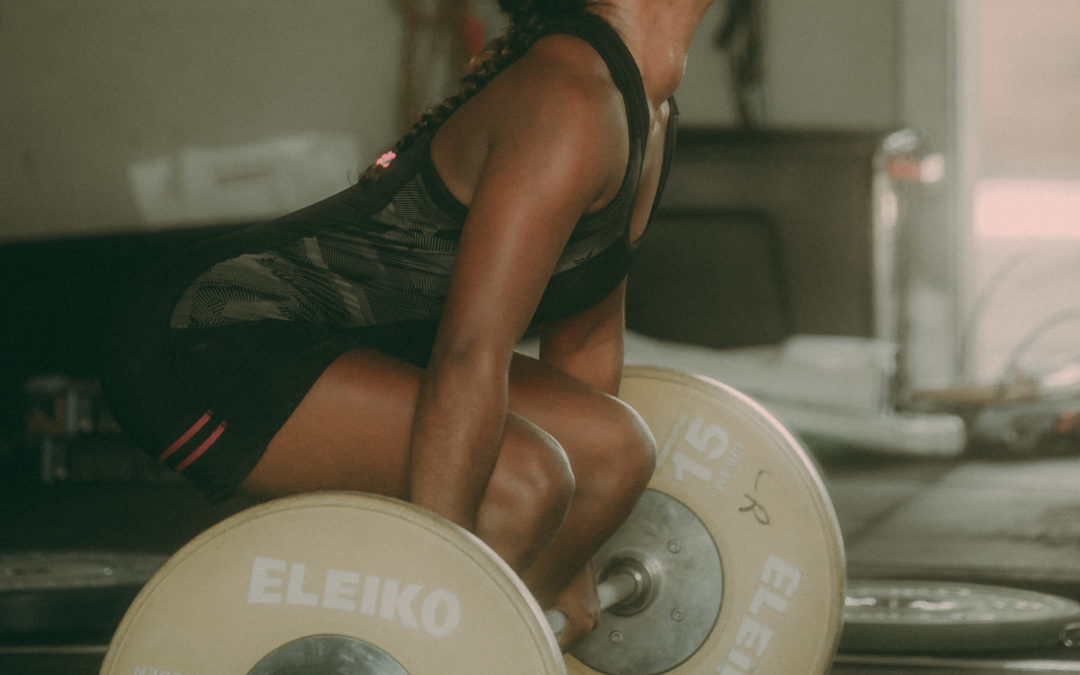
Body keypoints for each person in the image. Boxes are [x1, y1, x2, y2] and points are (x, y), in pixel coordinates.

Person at [102, 0, 716, 650]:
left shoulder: (647, 105)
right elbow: (467, 352)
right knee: (523, 481)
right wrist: (430, 590)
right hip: (208, 339)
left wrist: (571, 555)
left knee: (618, 453)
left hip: (354, 343)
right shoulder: (573, 97)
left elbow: (585, 341)